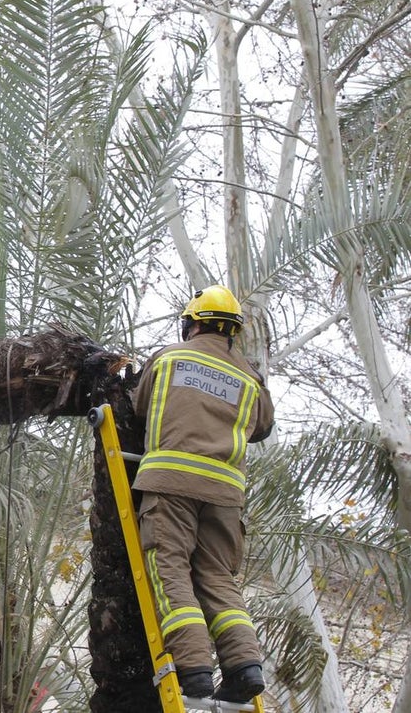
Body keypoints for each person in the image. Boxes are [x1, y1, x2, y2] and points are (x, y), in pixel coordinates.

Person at [131, 285, 275, 703]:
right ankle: (245, 666)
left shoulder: (170, 357)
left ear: (191, 323)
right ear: (232, 332)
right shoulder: (249, 377)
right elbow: (263, 426)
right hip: (226, 494)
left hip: (170, 482)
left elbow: (139, 404)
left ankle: (193, 668)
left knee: (170, 567)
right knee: (217, 577)